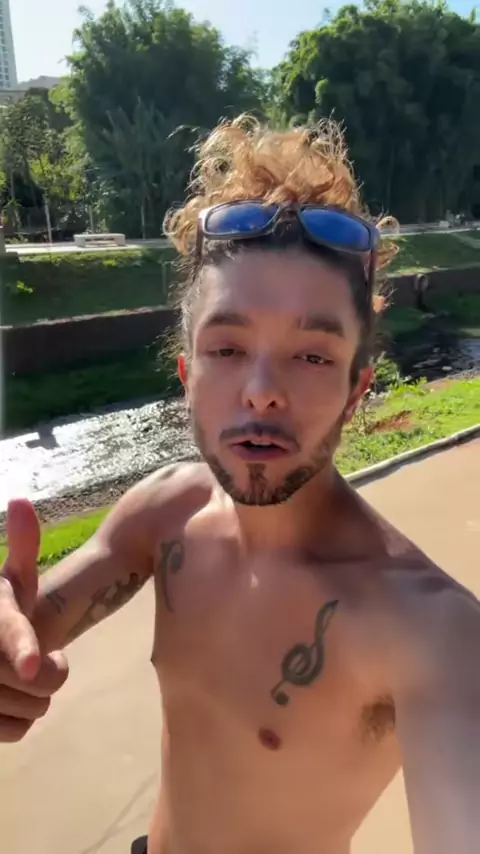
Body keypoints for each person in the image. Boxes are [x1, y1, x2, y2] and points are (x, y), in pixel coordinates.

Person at [1, 117, 479, 854]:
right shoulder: (164, 514)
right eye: (227, 348)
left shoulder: (433, 631)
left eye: (312, 357)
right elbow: (27, 629)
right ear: (187, 376)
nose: (261, 391)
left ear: (357, 392)